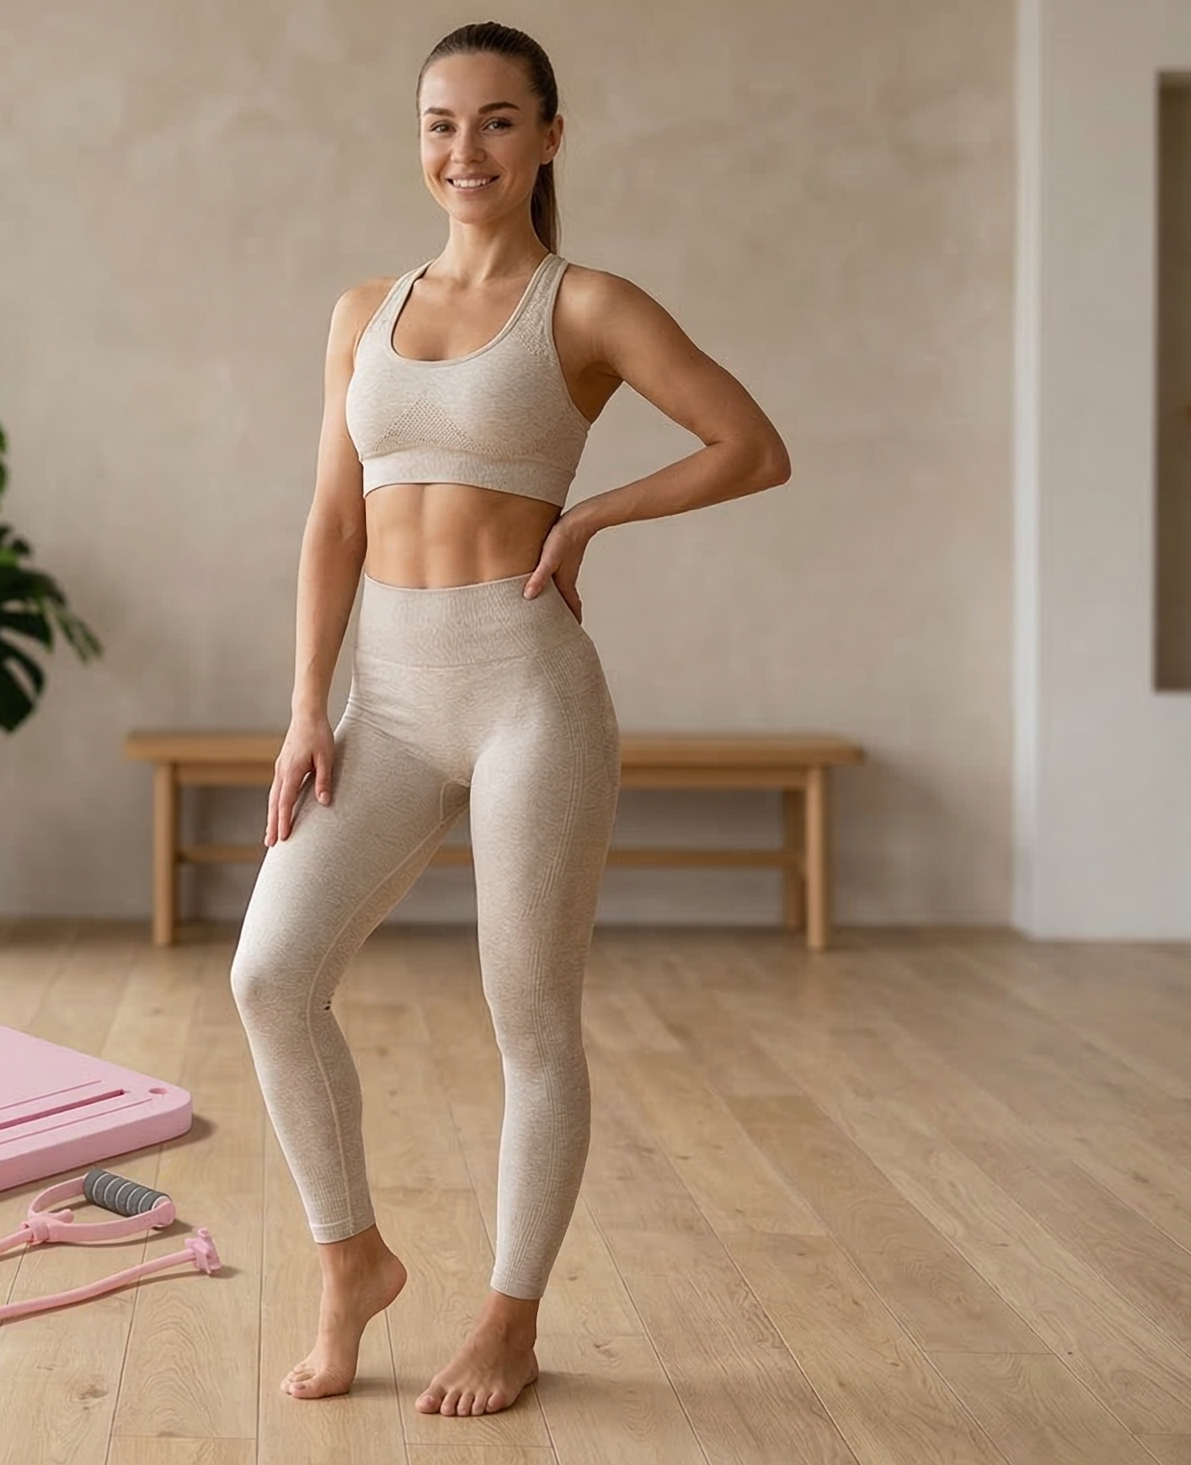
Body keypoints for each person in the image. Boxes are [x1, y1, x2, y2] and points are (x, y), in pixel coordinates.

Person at [228, 20, 790, 1419]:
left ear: (548, 136)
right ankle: (352, 1259)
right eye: (437, 122)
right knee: (270, 975)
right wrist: (309, 709)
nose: (461, 150)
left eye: (493, 122)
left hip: (528, 689)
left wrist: (594, 509)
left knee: (530, 1014)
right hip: (389, 696)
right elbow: (330, 519)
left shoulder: (585, 306)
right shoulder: (363, 310)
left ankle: (511, 1318)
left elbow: (752, 445)